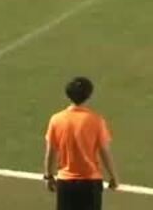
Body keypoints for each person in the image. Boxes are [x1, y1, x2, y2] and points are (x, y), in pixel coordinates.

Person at [44, 77, 119, 210]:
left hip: (65, 183)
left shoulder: (56, 119)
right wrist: (113, 176)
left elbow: (51, 152)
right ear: (89, 95)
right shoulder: (96, 121)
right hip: (90, 183)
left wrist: (49, 176)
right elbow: (104, 152)